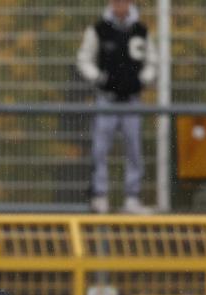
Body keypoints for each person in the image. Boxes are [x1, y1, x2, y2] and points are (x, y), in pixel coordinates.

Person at [77, 0, 157, 214]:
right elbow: (84, 59)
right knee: (100, 149)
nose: (119, 5)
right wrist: (99, 78)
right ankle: (100, 196)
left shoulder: (140, 30)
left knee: (134, 150)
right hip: (107, 100)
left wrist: (142, 80)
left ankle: (132, 197)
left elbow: (152, 61)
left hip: (132, 101)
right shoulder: (99, 30)